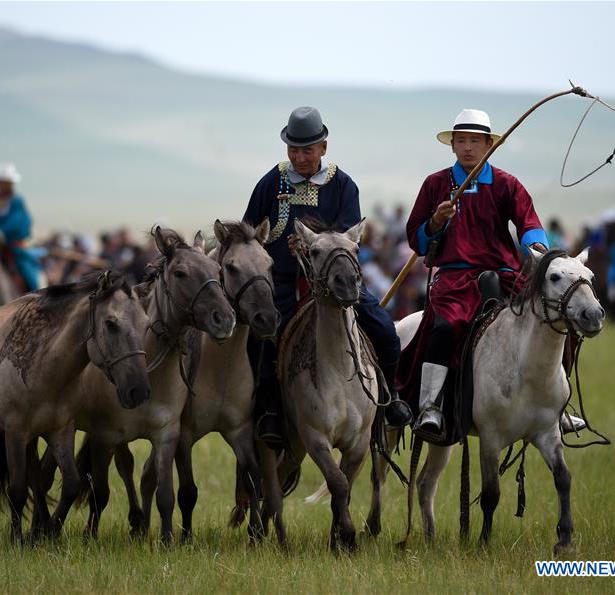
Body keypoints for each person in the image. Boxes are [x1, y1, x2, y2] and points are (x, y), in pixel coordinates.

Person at [399, 108, 582, 441]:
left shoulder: (506, 185)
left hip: (505, 274)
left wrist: (539, 253)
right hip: (455, 279)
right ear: (453, 145)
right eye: (461, 141)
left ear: (488, 145)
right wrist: (436, 222)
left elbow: (529, 223)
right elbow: (417, 238)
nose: (468, 147)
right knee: (446, 327)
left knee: (557, 322)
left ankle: (558, 406)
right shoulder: (436, 184)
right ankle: (430, 406)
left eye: (475, 141)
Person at [243, 106, 412, 448]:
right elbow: (250, 231)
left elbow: (345, 235)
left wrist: (310, 244)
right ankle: (272, 410)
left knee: (384, 330)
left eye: (307, 150)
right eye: (294, 150)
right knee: (264, 340)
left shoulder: (343, 185)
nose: (300, 157)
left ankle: (389, 398)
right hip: (283, 283)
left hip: (336, 283)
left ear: (323, 147)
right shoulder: (270, 182)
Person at [0, 162, 41, 292]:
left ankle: (37, 297)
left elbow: (15, 223)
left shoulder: (16, 201)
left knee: (29, 274)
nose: (2, 184)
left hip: (13, 247)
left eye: (5, 181)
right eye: (0, 180)